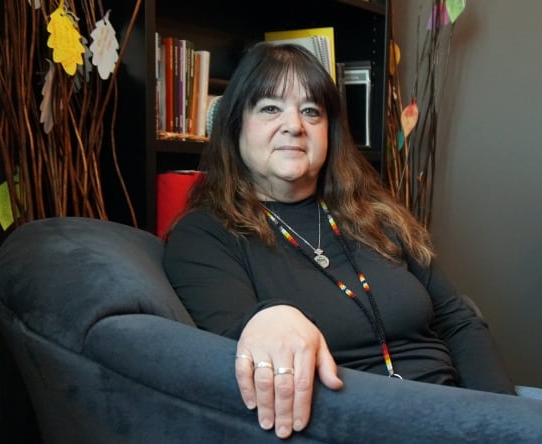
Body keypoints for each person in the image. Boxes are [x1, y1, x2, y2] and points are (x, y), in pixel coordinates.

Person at [162, 42, 515, 440]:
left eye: (311, 111)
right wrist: (269, 316)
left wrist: (508, 419)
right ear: (235, 126)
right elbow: (231, 343)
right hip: (356, 427)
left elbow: (457, 319)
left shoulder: (376, 215)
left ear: (329, 133)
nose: (294, 125)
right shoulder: (205, 234)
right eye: (270, 108)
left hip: (463, 413)